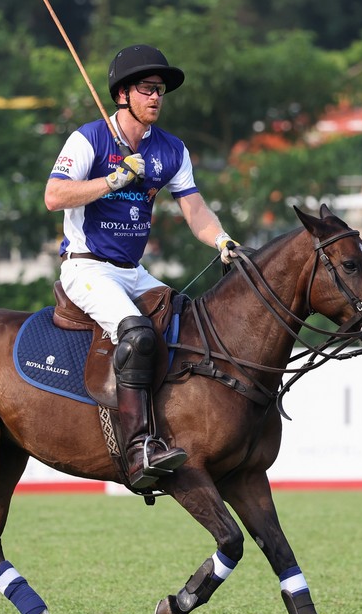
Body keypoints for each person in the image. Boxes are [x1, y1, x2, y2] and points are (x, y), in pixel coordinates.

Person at [45, 44, 241, 490]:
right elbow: (54, 196)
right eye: (148, 89)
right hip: (87, 267)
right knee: (136, 331)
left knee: (188, 320)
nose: (157, 97)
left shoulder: (171, 150)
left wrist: (222, 239)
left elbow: (195, 211)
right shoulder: (89, 139)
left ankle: (179, 424)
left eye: (161, 91)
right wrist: (112, 180)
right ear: (123, 94)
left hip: (133, 271)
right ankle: (138, 448)